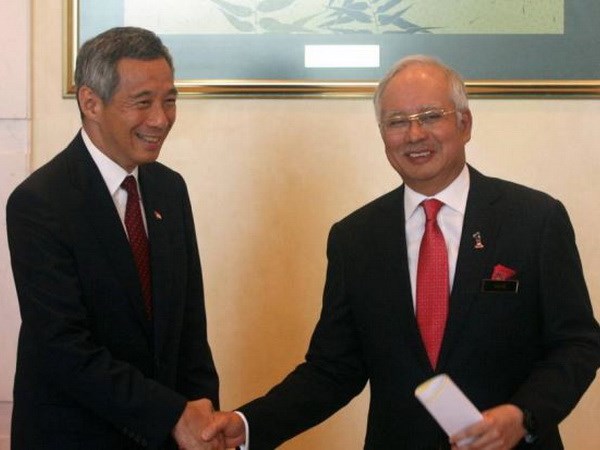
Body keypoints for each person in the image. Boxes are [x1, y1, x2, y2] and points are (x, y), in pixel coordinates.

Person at [202, 55, 600, 449]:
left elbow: (578, 344)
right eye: (397, 122)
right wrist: (249, 424)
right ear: (382, 134)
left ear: (464, 124)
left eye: (431, 116)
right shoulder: (355, 238)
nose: (414, 134)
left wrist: (523, 416)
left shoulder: (534, 220)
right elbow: (333, 369)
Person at [7, 27, 221, 449]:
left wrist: (205, 418)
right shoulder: (39, 202)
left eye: (169, 100)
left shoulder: (169, 189)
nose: (160, 119)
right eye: (142, 102)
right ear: (91, 102)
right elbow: (65, 348)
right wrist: (173, 416)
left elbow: (190, 329)